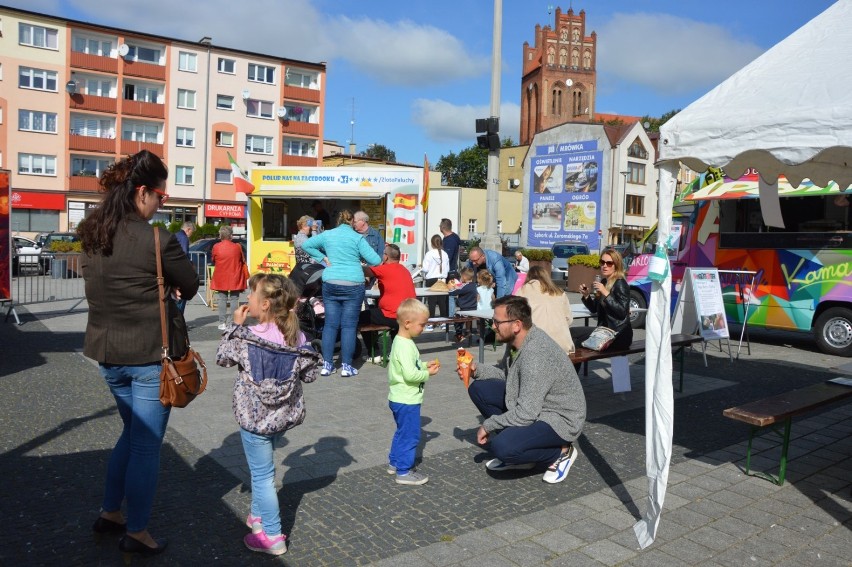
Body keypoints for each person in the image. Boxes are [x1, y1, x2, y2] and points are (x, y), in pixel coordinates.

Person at [78, 150, 199, 558]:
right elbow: (192, 283)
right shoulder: (155, 238)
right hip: (151, 358)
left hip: (107, 356)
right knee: (147, 444)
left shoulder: (93, 232)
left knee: (131, 435)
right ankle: (138, 530)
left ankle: (111, 512)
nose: (161, 204)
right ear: (144, 191)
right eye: (161, 197)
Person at [216, 274, 321, 556]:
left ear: (263, 304)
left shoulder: (247, 336)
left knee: (262, 477)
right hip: (281, 418)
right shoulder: (297, 337)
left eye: (251, 295)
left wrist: (234, 326)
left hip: (253, 419)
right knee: (263, 471)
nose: (247, 299)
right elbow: (311, 374)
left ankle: (272, 536)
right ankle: (258, 515)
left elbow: (223, 357)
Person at [461, 296, 585, 484]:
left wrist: (489, 424)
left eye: (497, 322)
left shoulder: (535, 353)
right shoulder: (517, 342)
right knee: (479, 388)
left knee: (502, 447)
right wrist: (475, 369)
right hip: (536, 408)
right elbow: (507, 375)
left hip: (560, 418)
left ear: (516, 325)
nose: (493, 326)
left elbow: (526, 413)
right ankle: (522, 453)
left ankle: (560, 452)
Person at [303, 210, 382, 377]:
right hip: (353, 283)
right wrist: (357, 260)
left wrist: (323, 258)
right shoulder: (357, 238)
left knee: (330, 324)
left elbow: (306, 245)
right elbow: (376, 260)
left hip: (331, 282)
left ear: (338, 221)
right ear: (352, 222)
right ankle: (346, 366)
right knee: (349, 326)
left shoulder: (328, 235)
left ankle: (327, 365)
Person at [387, 298, 440, 485]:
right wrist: (427, 373)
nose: (423, 328)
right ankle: (404, 471)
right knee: (411, 435)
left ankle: (394, 462)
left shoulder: (402, 341)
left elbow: (409, 367)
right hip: (407, 399)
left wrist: (424, 365)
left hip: (399, 397)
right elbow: (410, 375)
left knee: (402, 432)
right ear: (408, 323)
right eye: (422, 325)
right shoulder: (405, 346)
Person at [359, 243, 416, 362]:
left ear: (386, 257)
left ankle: (374, 353)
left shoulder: (385, 268)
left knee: (363, 316)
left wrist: (354, 264)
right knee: (385, 316)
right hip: (409, 313)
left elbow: (366, 272)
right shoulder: (404, 270)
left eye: (383, 253)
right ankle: (397, 353)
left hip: (394, 315)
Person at [575, 248, 633, 351]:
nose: (604, 266)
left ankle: (570, 367)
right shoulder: (604, 282)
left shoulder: (620, 283)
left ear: (616, 265)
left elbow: (622, 312)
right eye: (602, 262)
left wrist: (605, 292)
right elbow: (594, 309)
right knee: (572, 333)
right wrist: (586, 295)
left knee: (577, 340)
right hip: (604, 332)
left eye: (609, 263)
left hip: (618, 335)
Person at [516, 265, 574, 356]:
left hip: (535, 345)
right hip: (563, 345)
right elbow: (569, 320)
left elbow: (516, 317)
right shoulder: (559, 292)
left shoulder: (522, 291)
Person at [211, 225, 247, 331]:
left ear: (221, 235)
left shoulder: (216, 247)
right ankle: (232, 322)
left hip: (221, 275)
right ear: (231, 235)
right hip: (235, 275)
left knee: (222, 299)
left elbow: (213, 259)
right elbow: (242, 260)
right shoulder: (237, 246)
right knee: (234, 299)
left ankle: (222, 323)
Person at [421, 234, 449, 328]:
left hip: (431, 279)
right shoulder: (445, 254)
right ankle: (443, 322)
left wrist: (421, 267)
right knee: (442, 303)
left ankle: (430, 323)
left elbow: (425, 268)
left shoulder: (429, 254)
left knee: (431, 303)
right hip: (442, 279)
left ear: (432, 243)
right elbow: (447, 269)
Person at [448, 267, 477, 342]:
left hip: (465, 308)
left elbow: (453, 293)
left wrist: (451, 289)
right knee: (468, 318)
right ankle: (467, 330)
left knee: (457, 319)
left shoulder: (464, 286)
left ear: (464, 277)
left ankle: (459, 335)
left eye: (461, 276)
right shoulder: (474, 285)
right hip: (473, 307)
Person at [174, 221, 195, 312]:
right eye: (192, 232)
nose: (191, 234)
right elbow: (184, 255)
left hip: (173, 270)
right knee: (181, 299)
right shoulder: (184, 238)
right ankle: (179, 322)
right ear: (188, 229)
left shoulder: (175, 235)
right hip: (181, 272)